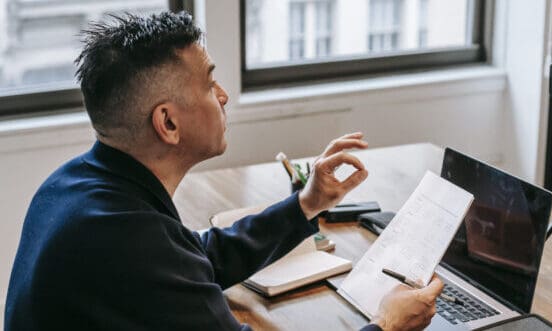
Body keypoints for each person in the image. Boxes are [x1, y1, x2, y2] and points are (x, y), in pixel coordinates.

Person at [5, 12, 443, 331]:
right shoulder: (125, 239)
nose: (224, 96)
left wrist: (307, 203)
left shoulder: (73, 185)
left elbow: (194, 257)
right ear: (168, 124)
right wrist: (387, 325)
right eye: (209, 84)